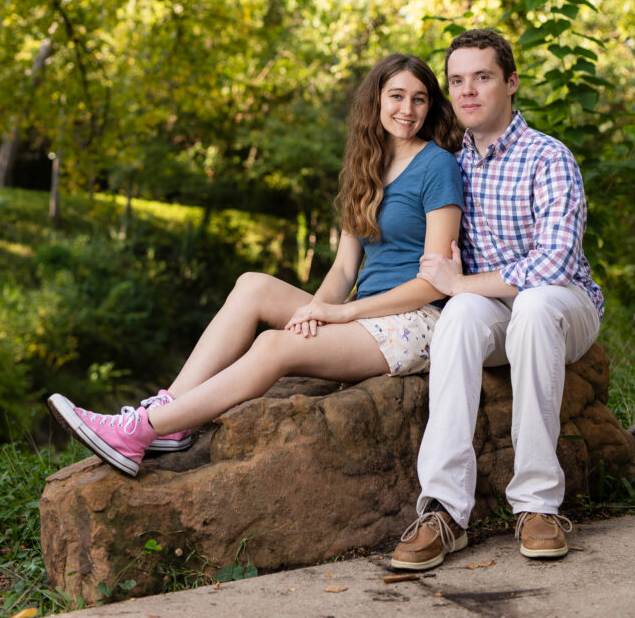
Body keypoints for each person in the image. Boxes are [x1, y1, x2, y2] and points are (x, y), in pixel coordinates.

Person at [48, 53, 464, 478]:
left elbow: (434, 284)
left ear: (430, 105)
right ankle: (170, 416)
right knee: (252, 285)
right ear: (375, 100)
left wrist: (341, 313)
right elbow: (343, 269)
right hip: (365, 317)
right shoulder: (366, 166)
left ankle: (139, 431)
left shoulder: (437, 166)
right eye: (396, 96)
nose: (407, 110)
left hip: (415, 322)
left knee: (272, 345)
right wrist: (313, 312)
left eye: (419, 99)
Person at [391, 29, 603, 569]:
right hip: (491, 306)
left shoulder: (547, 157)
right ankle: (444, 510)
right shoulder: (449, 164)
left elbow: (552, 267)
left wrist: (460, 283)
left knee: (528, 305)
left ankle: (536, 505)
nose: (468, 91)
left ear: (510, 83)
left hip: (564, 305)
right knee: (457, 317)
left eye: (482, 77)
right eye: (457, 81)